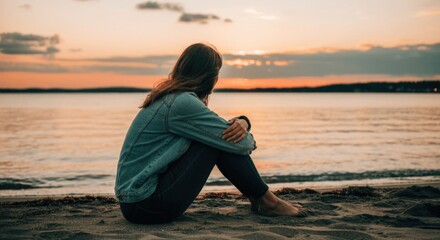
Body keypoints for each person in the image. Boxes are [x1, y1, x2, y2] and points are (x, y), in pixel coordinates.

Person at [115, 43, 305, 224]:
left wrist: (244, 121)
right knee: (216, 142)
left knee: (217, 138)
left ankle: (261, 200)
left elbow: (220, 131)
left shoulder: (172, 97)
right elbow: (241, 144)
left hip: (136, 203)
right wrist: (244, 129)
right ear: (209, 75)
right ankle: (268, 202)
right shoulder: (182, 103)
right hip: (145, 205)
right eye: (217, 73)